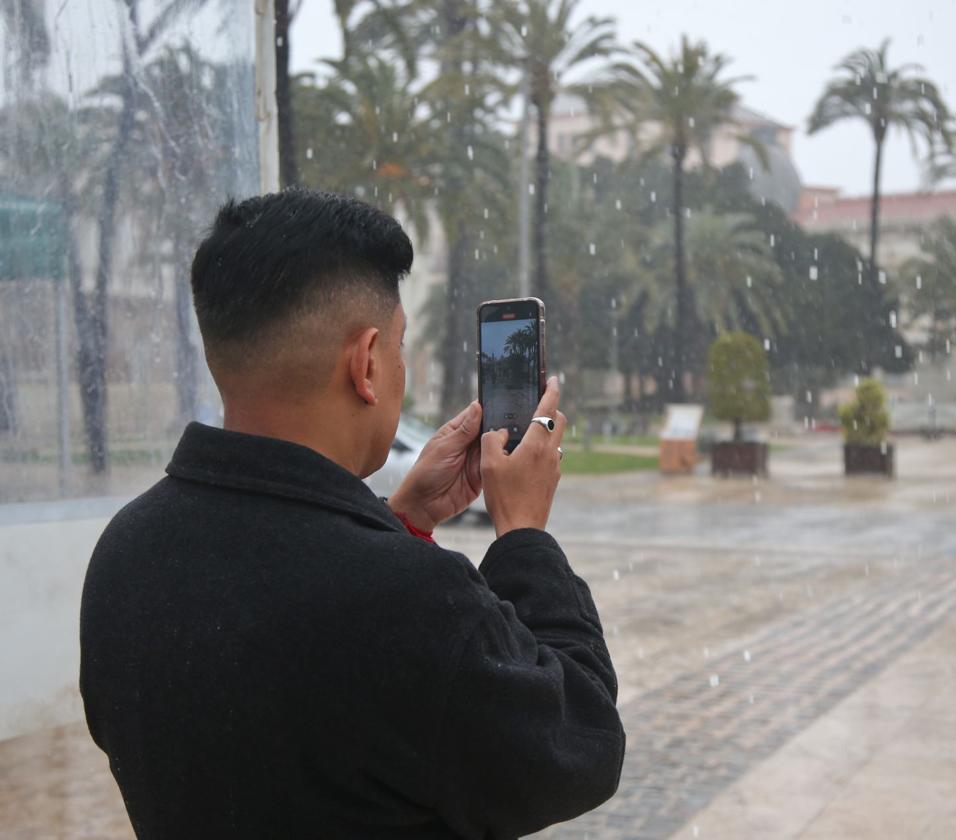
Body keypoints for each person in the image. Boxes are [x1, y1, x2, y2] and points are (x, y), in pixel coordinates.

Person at [79, 189, 624, 839]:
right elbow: (580, 743)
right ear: (366, 364)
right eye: (397, 348)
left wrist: (403, 518)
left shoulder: (128, 550)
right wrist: (525, 533)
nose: (398, 369)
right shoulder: (410, 597)